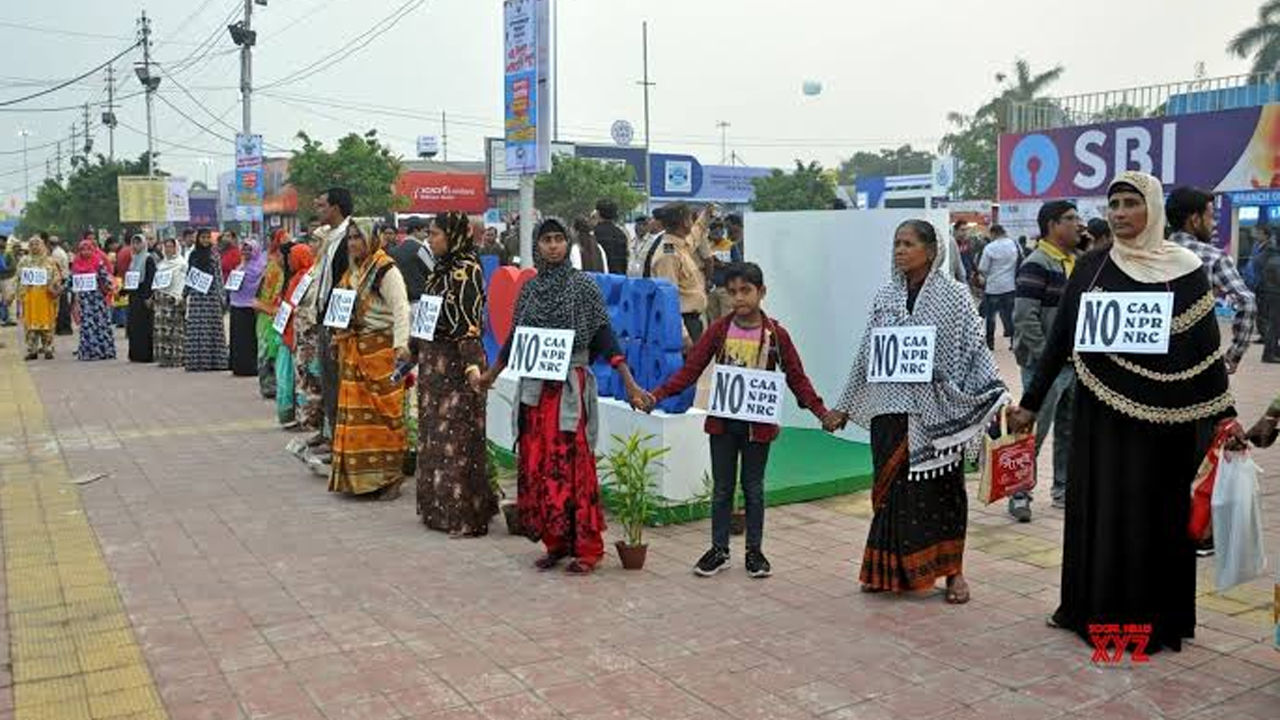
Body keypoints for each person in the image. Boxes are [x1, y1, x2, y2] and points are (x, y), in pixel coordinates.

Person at [1007, 171, 1243, 654]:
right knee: (1099, 511)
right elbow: (1060, 344)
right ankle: (1085, 610)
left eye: (1131, 203)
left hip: (1165, 421)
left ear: (1152, 209)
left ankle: (1153, 621)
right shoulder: (1092, 268)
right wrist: (1030, 404)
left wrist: (1226, 415)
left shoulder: (1184, 269)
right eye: (1113, 203)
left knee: (1153, 514)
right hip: (1103, 418)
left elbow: (1204, 350)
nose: (1119, 213)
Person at [827, 220, 1007, 604]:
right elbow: (866, 354)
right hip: (889, 410)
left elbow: (975, 349)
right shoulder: (885, 297)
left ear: (931, 250)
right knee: (890, 494)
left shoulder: (955, 296)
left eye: (908, 243)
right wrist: (843, 405)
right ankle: (885, 572)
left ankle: (953, 573)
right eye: (896, 243)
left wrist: (996, 394)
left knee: (943, 493)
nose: (899, 250)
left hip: (937, 415)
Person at [471, 217, 647, 574]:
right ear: (537, 245)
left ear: (567, 244)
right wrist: (491, 375)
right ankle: (556, 542)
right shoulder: (531, 291)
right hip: (536, 394)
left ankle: (586, 548)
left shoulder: (583, 287)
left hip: (569, 391)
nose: (553, 246)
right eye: (546, 240)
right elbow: (516, 340)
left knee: (574, 465)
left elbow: (604, 337)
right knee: (538, 465)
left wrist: (629, 382)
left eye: (558, 239)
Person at [641, 262, 836, 578]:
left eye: (746, 291)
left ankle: (754, 552)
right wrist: (656, 396)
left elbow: (797, 378)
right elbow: (690, 371)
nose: (739, 298)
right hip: (723, 424)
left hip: (758, 427)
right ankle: (719, 549)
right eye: (732, 292)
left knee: (754, 488)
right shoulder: (719, 330)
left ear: (761, 292)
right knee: (721, 488)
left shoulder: (776, 335)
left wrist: (820, 412)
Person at [415, 211, 498, 536]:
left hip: (454, 370)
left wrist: (473, 368)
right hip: (432, 370)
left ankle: (463, 513)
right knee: (435, 440)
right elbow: (427, 315)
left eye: (436, 233)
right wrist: (410, 349)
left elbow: (468, 325)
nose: (430, 239)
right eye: (430, 233)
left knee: (457, 442)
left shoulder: (466, 271)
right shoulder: (439, 271)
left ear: (453, 236)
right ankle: (437, 510)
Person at [327, 219, 413, 500]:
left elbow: (401, 308)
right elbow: (341, 306)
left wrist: (402, 345)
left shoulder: (385, 270)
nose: (353, 243)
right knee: (356, 419)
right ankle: (359, 480)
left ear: (372, 239)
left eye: (358, 238)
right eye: (350, 238)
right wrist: (335, 335)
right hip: (354, 350)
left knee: (385, 416)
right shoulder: (353, 271)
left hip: (381, 352)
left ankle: (390, 477)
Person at [1009, 201, 1082, 521]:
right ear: (1052, 225)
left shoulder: (1076, 262)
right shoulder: (1036, 263)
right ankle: (1018, 494)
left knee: (1069, 430)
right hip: (1044, 368)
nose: (1079, 225)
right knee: (1032, 430)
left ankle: (1063, 490)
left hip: (1075, 365)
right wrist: (1046, 358)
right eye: (1071, 219)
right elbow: (1024, 317)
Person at [1167, 186, 1256, 375]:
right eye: (1211, 216)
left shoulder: (1149, 254)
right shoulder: (1213, 257)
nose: (1214, 223)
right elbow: (1247, 302)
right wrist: (1234, 354)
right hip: (1197, 360)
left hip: (1148, 362)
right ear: (1195, 220)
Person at [310, 188, 355, 470]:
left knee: (339, 384)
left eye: (322, 205)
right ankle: (331, 436)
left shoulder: (349, 238)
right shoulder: (330, 237)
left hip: (341, 321)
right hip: (326, 315)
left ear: (336, 208)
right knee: (328, 383)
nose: (318, 209)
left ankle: (341, 443)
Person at [647, 203, 711, 346]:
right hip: (682, 325)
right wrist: (683, 336)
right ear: (684, 222)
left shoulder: (679, 246)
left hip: (691, 322)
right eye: (690, 218)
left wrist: (706, 215)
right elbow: (668, 300)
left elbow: (696, 234)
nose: (692, 222)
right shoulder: (668, 256)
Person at [276, 244, 315, 426]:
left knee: (301, 376)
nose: (288, 261)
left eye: (292, 257)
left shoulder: (306, 278)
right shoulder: (297, 278)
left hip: (299, 333)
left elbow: (296, 307)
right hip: (290, 331)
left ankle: (303, 416)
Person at [183, 229, 229, 372]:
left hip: (211, 297)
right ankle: (197, 362)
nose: (205, 240)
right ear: (198, 239)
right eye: (203, 237)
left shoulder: (214, 255)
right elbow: (190, 275)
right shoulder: (193, 255)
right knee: (197, 328)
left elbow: (219, 276)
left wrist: (222, 296)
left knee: (212, 328)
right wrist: (184, 294)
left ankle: (215, 362)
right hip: (197, 297)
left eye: (207, 238)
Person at [69, 238, 117, 361]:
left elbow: (105, 276)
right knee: (86, 326)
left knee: (101, 324)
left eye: (88, 249)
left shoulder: (98, 262)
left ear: (92, 250)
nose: (85, 252)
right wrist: (59, 289)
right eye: (82, 249)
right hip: (84, 301)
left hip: (97, 300)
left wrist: (111, 286)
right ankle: (88, 352)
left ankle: (104, 351)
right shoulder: (76, 263)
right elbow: (71, 280)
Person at [16, 235, 62, 360]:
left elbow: (57, 276)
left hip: (45, 297)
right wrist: (19, 294)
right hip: (30, 297)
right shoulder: (24, 261)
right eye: (32, 244)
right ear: (29, 247)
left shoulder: (49, 261)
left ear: (42, 245)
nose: (35, 247)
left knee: (47, 323)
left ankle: (48, 348)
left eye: (37, 244)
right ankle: (32, 350)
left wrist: (54, 285)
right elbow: (18, 278)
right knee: (30, 325)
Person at [975, 224, 1019, 350]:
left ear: (993, 233)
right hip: (1010, 286)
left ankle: (990, 343)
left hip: (993, 287)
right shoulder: (1014, 245)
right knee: (1011, 315)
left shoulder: (990, 247)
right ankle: (1013, 342)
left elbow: (983, 268)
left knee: (991, 317)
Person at [228, 238, 266, 378]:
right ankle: (239, 366)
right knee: (238, 338)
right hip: (237, 304)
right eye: (244, 249)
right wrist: (242, 265)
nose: (246, 252)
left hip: (251, 306)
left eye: (249, 249)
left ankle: (251, 366)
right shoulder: (241, 265)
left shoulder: (261, 267)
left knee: (250, 339)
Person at [153, 236, 187, 368]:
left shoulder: (182, 264)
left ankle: (176, 358)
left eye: (171, 246)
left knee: (175, 330)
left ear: (176, 248)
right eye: (166, 247)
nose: (168, 249)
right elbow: (157, 282)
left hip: (174, 299)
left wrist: (180, 297)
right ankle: (164, 359)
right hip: (161, 300)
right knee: (162, 330)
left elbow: (182, 281)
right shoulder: (161, 264)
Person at [124, 234, 157, 363]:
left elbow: (151, 279)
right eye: (134, 243)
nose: (136, 246)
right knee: (134, 326)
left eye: (138, 243)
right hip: (134, 297)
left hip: (144, 297)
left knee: (145, 326)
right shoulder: (134, 259)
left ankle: (146, 355)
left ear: (144, 244)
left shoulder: (148, 259)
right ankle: (135, 354)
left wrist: (150, 297)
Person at [704, 218, 745, 321]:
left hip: (725, 288)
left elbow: (739, 266)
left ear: (723, 232)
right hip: (711, 289)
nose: (716, 233)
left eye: (718, 231)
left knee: (727, 319)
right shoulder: (708, 247)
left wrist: (723, 265)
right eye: (713, 230)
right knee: (713, 322)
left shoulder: (731, 246)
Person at [387, 216, 433, 303]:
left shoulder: (393, 250)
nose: (427, 235)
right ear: (415, 231)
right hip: (419, 298)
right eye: (425, 232)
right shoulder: (420, 248)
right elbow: (433, 270)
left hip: (400, 299)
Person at [592, 199, 629, 274]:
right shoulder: (622, 234)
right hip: (619, 279)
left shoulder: (594, 233)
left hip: (601, 279)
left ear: (598, 213)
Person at [49, 235, 73, 335]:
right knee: (64, 304)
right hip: (63, 279)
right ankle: (63, 327)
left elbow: (56, 269)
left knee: (62, 305)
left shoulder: (56, 254)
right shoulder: (60, 251)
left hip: (61, 280)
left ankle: (63, 328)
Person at [0, 235, 17, 326]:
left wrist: (5, 269)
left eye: (1, 241)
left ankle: (12, 318)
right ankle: (2, 318)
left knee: (9, 298)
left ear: (5, 242)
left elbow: (14, 266)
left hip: (8, 278)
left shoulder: (8, 253)